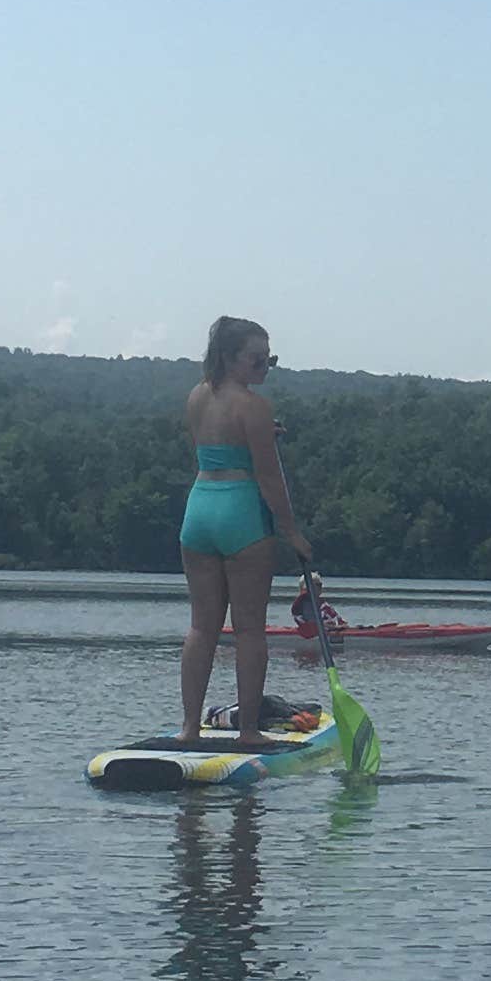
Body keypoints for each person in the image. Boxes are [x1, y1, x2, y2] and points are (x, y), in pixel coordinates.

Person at [176, 315, 317, 748]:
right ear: (228, 358)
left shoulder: (197, 396)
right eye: (256, 359)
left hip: (199, 509)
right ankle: (250, 732)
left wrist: (259, 436)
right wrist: (291, 532)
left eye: (269, 359)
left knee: (202, 628)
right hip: (240, 512)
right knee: (250, 629)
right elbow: (269, 478)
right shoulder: (255, 406)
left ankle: (189, 729)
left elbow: (217, 446)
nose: (264, 368)